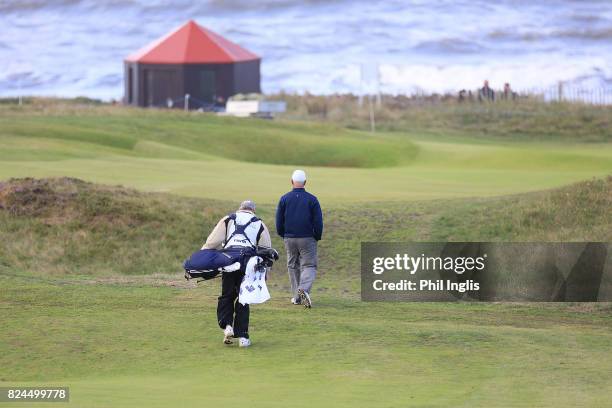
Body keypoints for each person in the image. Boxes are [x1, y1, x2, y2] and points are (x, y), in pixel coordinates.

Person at [202, 200, 272, 347]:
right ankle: (243, 338)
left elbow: (212, 241)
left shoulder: (228, 219)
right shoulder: (259, 223)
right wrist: (266, 272)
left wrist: (202, 257)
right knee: (244, 298)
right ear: (253, 210)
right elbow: (266, 250)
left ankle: (227, 326)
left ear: (240, 209)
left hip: (228, 261)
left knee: (227, 295)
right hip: (248, 264)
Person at [275, 170, 323, 308]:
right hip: (308, 238)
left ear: (291, 182)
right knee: (309, 265)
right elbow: (318, 221)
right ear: (305, 183)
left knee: (292, 265)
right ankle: (304, 289)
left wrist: (283, 234)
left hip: (289, 238)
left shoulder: (284, 198)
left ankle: (297, 296)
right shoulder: (312, 199)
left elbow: (279, 220)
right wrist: (317, 236)